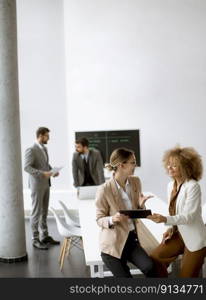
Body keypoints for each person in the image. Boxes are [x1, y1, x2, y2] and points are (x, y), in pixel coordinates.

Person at [95, 147, 157, 277]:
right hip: (112, 246)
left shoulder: (135, 182)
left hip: (131, 240)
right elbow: (99, 219)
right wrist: (112, 219)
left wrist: (140, 206)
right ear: (121, 165)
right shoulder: (104, 189)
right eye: (133, 162)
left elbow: (135, 212)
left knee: (150, 268)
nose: (136, 165)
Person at [147, 146, 206, 277]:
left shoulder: (193, 186)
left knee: (186, 277)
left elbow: (189, 216)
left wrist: (165, 219)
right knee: (154, 258)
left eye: (174, 165)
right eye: (168, 165)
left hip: (195, 238)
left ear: (186, 168)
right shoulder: (170, 185)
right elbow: (174, 211)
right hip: (178, 234)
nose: (169, 168)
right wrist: (170, 228)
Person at [24, 127, 60, 250]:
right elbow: (27, 167)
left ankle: (44, 236)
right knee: (36, 212)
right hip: (37, 185)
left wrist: (52, 171)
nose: (48, 138)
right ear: (40, 135)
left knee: (44, 211)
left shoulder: (44, 148)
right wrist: (42, 173)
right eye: (47, 136)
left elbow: (44, 164)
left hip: (46, 184)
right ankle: (35, 239)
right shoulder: (31, 149)